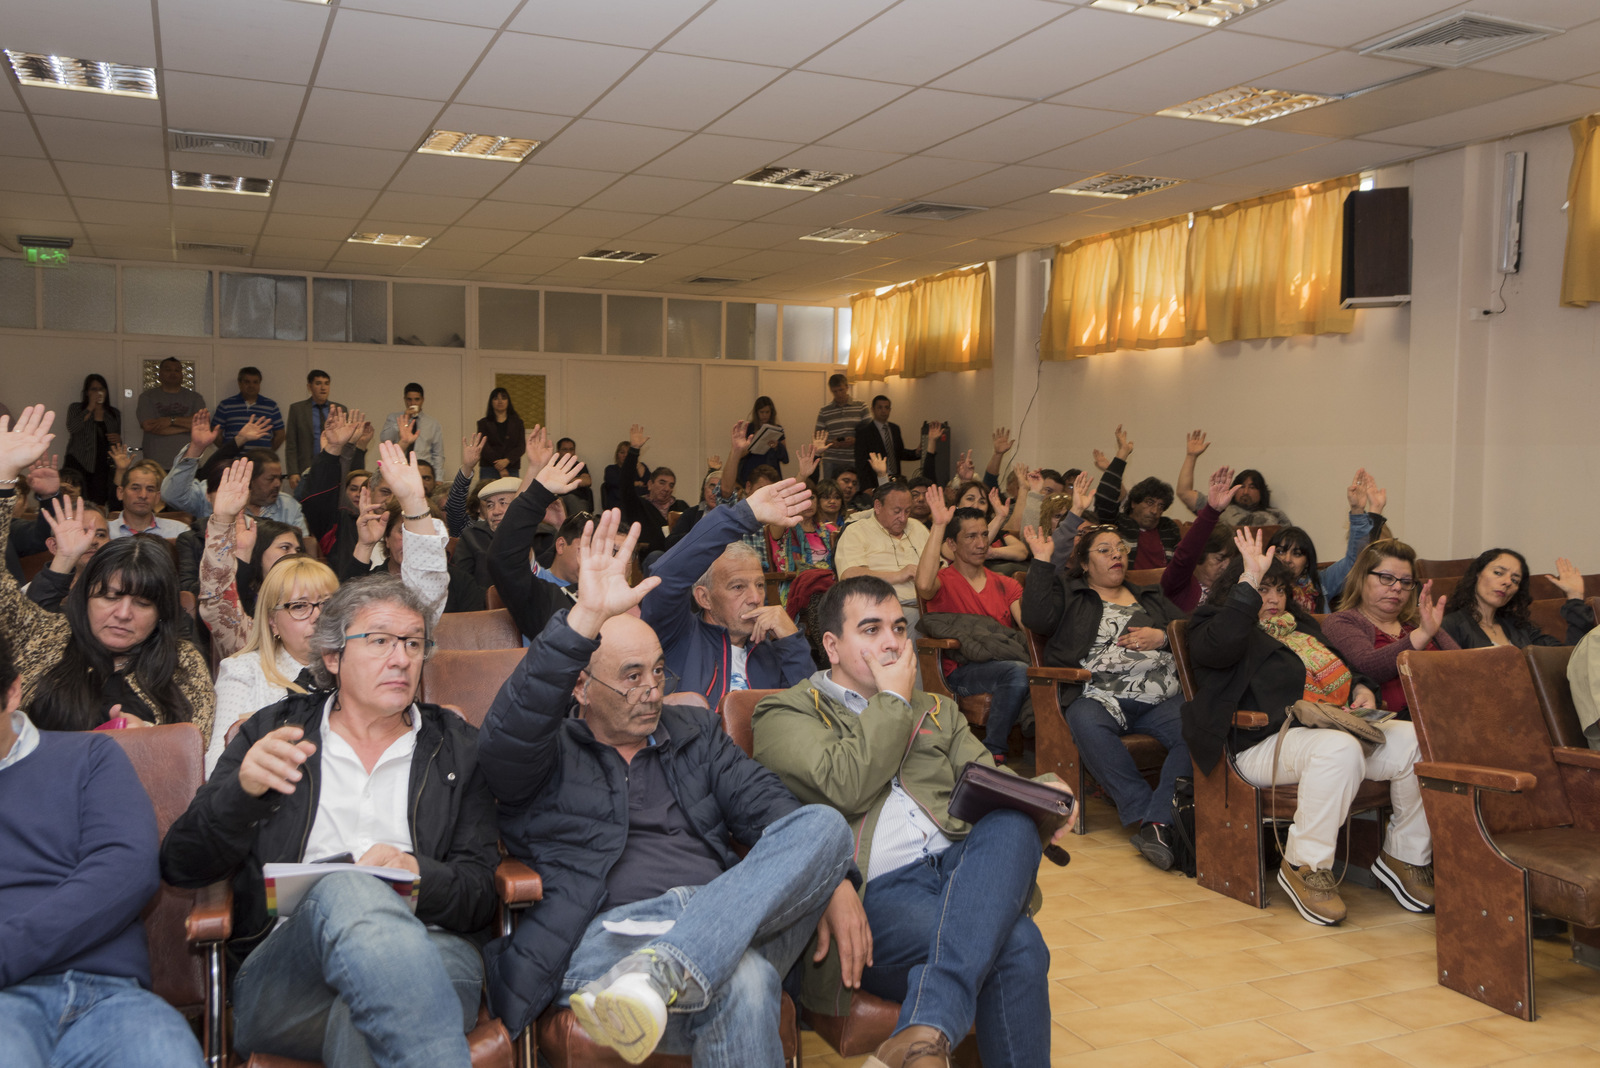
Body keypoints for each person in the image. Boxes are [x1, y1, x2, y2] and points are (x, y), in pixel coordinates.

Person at [476, 510, 857, 1064]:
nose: (652, 690)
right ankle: (669, 966)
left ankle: (668, 969)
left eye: (659, 671)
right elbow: (504, 740)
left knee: (822, 825)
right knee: (747, 982)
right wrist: (582, 618)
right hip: (606, 939)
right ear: (580, 686)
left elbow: (772, 808)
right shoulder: (546, 752)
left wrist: (836, 880)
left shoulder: (694, 730)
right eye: (632, 675)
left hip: (713, 916)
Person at [162, 575, 498, 1068]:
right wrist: (241, 795)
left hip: (435, 949)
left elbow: (480, 892)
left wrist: (417, 873)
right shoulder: (272, 734)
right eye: (380, 641)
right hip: (287, 973)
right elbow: (181, 865)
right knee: (350, 887)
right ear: (333, 657)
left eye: (413, 643)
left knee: (373, 1016)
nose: (401, 658)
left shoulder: (457, 747)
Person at [752, 575, 1073, 1068]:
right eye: (872, 629)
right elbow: (846, 784)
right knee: (1020, 944)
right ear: (832, 646)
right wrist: (895, 701)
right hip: (877, 895)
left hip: (964, 873)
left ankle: (924, 1031)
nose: (891, 642)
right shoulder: (785, 712)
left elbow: (993, 779)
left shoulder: (939, 710)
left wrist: (1047, 788)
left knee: (1012, 817)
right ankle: (929, 1028)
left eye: (899, 628)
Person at [1182, 530, 1435, 924]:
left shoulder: (1299, 628)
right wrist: (1249, 578)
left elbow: (1347, 668)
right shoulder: (1212, 624)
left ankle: (1404, 856)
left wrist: (1363, 688)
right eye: (1262, 589)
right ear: (1237, 589)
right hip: (1256, 745)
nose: (1272, 598)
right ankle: (1305, 865)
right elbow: (1222, 646)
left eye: (1279, 589)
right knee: (1338, 749)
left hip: (1324, 737)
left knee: (1415, 739)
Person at [0, 629, 208, 1068]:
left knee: (165, 1056)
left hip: (111, 995)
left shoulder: (90, 756)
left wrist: (9, 950)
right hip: (6, 1003)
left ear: (13, 692)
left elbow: (126, 870)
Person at [0, 406, 214, 742]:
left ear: (162, 613)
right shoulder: (49, 639)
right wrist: (3, 482)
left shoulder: (182, 663)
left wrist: (156, 743)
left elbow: (196, 750)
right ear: (86, 597)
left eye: (143, 602)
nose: (123, 614)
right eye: (109, 596)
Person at [1020, 521, 1189, 870]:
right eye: (1105, 550)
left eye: (1121, 549)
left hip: (1161, 695)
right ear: (1084, 564)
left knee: (1197, 727)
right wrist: (1040, 560)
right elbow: (1035, 618)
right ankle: (1148, 817)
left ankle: (1158, 823)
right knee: (1083, 718)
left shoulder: (1150, 595)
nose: (1116, 555)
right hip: (1099, 692)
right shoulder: (1072, 593)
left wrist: (1162, 636)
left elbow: (1190, 630)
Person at [640, 477, 815, 706]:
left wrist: (792, 640)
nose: (755, 599)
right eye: (738, 587)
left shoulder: (773, 650)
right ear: (704, 598)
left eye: (760, 585)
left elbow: (816, 713)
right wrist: (745, 515)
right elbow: (665, 578)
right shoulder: (677, 634)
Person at [915, 491, 1032, 762]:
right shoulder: (943, 580)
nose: (981, 543)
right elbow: (922, 585)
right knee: (1017, 672)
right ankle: (994, 750)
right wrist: (939, 525)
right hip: (960, 672)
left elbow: (1027, 629)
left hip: (1001, 661)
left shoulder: (1006, 583)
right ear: (952, 544)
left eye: (983, 535)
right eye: (971, 537)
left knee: (1030, 667)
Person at [205, 555, 340, 775]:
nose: (317, 616)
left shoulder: (356, 670)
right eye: (299, 606)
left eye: (327, 604)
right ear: (272, 621)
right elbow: (217, 769)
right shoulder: (243, 671)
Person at [1322, 539, 1460, 715]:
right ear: (1361, 578)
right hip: (1393, 726)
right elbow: (1367, 667)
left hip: (1450, 716)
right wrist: (1422, 635)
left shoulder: (1418, 622)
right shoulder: (1341, 622)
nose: (1397, 587)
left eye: (1406, 581)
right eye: (1386, 578)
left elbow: (1462, 666)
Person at [197, 457, 314, 660]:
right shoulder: (250, 629)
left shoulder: (316, 602)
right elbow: (217, 600)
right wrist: (225, 521)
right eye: (285, 548)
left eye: (298, 549)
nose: (294, 556)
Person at [486, 440, 588, 641]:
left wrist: (561, 527)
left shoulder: (604, 595)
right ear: (561, 545)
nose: (596, 559)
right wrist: (536, 481)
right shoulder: (539, 585)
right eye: (585, 549)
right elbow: (508, 549)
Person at [162, 411, 310, 535]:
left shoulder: (289, 506)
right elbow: (172, 495)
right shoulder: (215, 494)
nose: (278, 484)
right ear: (248, 479)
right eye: (271, 479)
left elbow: (302, 548)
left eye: (279, 478)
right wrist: (196, 449)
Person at [1268, 469, 1388, 614]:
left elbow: (1355, 561)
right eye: (1280, 551)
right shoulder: (1255, 586)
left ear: (1307, 562)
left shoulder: (1321, 582)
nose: (1287, 559)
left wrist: (1357, 510)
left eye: (1297, 554)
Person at [1440, 549, 1595, 649]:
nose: (1507, 582)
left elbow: (1568, 658)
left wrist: (1575, 598)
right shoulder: (1451, 625)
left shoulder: (1519, 627)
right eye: (1498, 573)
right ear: (1477, 574)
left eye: (1515, 580)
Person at [835, 482, 930, 633]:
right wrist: (898, 575)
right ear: (878, 506)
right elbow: (849, 576)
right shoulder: (856, 531)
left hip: (928, 604)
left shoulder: (918, 528)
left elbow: (940, 567)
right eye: (897, 511)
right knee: (916, 620)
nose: (903, 518)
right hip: (885, 608)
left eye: (907, 511)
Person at [1091, 425, 1182, 568]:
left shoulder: (1169, 528)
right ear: (1133, 503)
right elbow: (1105, 499)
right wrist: (1122, 454)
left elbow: (1181, 565)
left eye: (1161, 506)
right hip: (1126, 587)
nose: (1155, 511)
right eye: (1150, 502)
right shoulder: (1118, 524)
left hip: (1163, 588)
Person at [609, 424, 689, 564]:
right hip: (651, 558)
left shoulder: (681, 506)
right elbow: (625, 484)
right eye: (662, 483)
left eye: (671, 485)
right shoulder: (639, 505)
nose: (667, 488)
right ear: (650, 484)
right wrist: (634, 451)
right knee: (656, 557)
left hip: (681, 558)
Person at [446, 471, 519, 612]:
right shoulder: (472, 537)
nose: (495, 511)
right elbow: (463, 586)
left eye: (503, 503)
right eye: (490, 505)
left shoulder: (544, 535)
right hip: (485, 613)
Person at [26, 497, 113, 611]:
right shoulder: (34, 592)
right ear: (54, 546)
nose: (92, 541)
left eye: (101, 535)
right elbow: (33, 622)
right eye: (80, 534)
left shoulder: (124, 584)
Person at [135, 357, 205, 470]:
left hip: (188, 463)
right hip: (156, 466)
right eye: (168, 370)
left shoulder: (195, 398)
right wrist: (189, 426)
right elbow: (148, 426)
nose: (173, 373)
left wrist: (170, 421)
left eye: (177, 370)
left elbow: (201, 426)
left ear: (182, 375)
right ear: (160, 374)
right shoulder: (147, 397)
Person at [64, 373, 122, 507]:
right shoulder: (76, 408)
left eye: (101, 389)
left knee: (98, 502)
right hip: (78, 461)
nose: (98, 392)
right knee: (74, 500)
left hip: (103, 464)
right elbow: (72, 428)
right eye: (93, 389)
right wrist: (90, 407)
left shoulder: (113, 413)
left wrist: (118, 438)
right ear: (86, 392)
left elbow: (116, 440)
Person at [284, 369, 342, 489]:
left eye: (326, 383)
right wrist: (293, 472)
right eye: (318, 383)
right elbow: (291, 444)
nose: (323, 387)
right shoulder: (297, 409)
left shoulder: (340, 410)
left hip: (333, 468)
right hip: (306, 468)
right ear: (309, 387)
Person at [852, 395, 922, 493]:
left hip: (895, 479)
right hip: (874, 480)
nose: (883, 411)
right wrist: (866, 486)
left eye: (886, 407)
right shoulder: (864, 432)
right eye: (880, 407)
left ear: (890, 409)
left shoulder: (895, 429)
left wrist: (916, 453)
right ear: (873, 409)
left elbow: (898, 452)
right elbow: (860, 462)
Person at [109, 459, 187, 539]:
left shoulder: (178, 532)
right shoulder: (105, 532)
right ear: (120, 493)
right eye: (135, 488)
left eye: (150, 490)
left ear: (157, 497)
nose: (143, 495)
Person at [379, 382, 445, 477]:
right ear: (404, 400)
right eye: (409, 399)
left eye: (417, 399)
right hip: (397, 468)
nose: (413, 403)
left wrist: (439, 477)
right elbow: (385, 439)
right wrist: (405, 419)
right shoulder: (393, 418)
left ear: (422, 400)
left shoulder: (433, 424)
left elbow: (438, 454)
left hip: (422, 470)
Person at [212, 366, 285, 451]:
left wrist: (267, 452)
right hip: (232, 461)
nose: (251, 385)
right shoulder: (225, 405)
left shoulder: (271, 406)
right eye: (247, 382)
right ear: (239, 383)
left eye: (255, 382)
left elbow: (280, 435)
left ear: (259, 384)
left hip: (261, 461)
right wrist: (227, 451)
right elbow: (215, 433)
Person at [814, 373, 868, 482]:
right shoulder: (825, 411)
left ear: (847, 387)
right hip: (832, 458)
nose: (839, 394)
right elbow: (818, 438)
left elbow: (871, 433)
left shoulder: (861, 406)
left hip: (855, 458)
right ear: (831, 390)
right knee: (830, 491)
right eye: (835, 391)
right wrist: (832, 443)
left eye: (841, 390)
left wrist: (855, 441)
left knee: (854, 491)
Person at [737, 395, 788, 484]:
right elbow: (739, 455)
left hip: (771, 471)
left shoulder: (777, 429)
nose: (764, 415)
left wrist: (777, 446)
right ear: (756, 413)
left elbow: (785, 458)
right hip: (751, 470)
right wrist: (752, 441)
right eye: (762, 412)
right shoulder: (749, 428)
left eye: (767, 412)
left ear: (772, 412)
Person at [477, 387, 525, 481]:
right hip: (489, 468)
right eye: (496, 398)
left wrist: (507, 460)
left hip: (511, 467)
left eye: (503, 398)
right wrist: (500, 466)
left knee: (512, 495)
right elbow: (483, 446)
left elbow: (521, 446)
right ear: (491, 402)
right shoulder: (483, 423)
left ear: (508, 401)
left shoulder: (518, 423)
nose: (500, 401)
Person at [602, 438, 649, 510]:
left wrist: (636, 462)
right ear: (617, 455)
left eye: (628, 453)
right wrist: (637, 483)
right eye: (622, 452)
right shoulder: (611, 469)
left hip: (640, 505)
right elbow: (618, 482)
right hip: (619, 505)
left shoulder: (640, 467)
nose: (625, 455)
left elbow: (648, 483)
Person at [554, 436, 594, 510]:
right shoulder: (552, 466)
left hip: (577, 497)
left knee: (571, 499)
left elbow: (587, 481)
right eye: (565, 449)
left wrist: (564, 479)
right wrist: (577, 480)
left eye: (571, 449)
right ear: (558, 452)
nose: (568, 452)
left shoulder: (580, 466)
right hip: (557, 498)